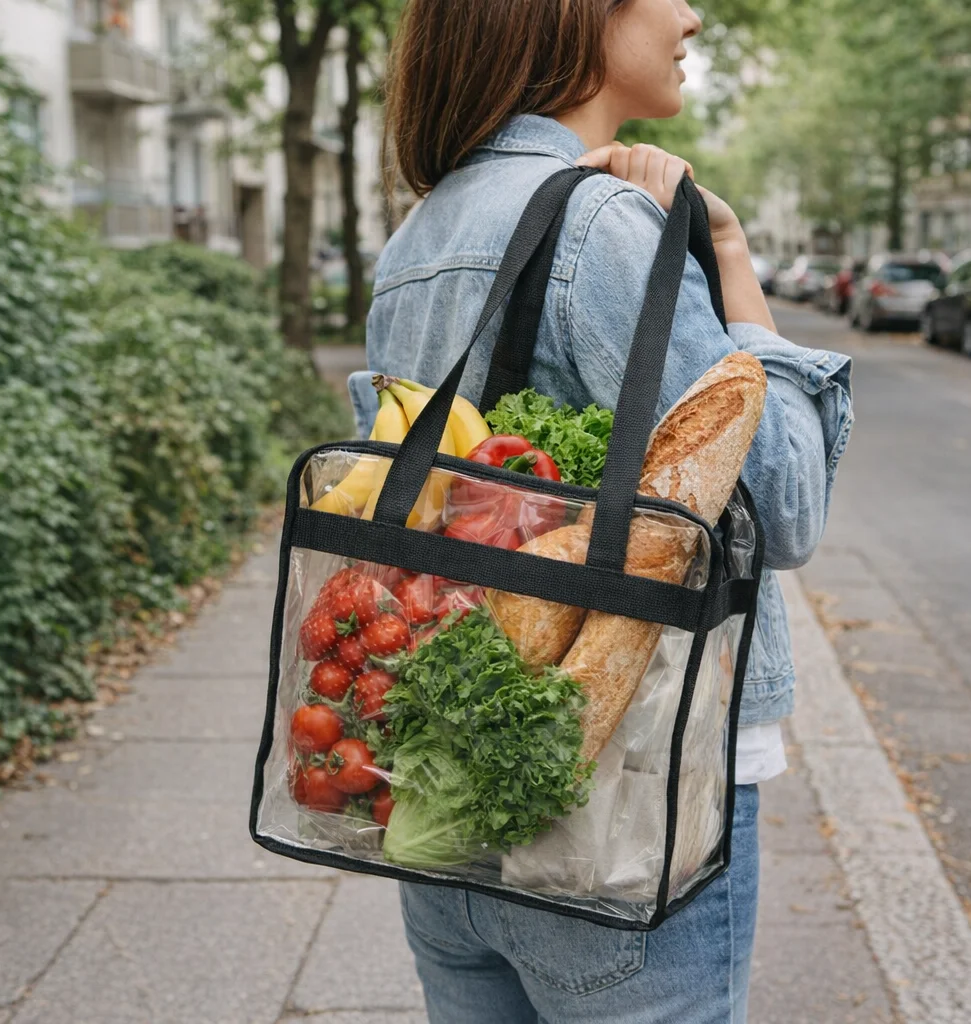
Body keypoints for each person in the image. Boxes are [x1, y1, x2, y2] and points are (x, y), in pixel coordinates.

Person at [347, 2, 854, 1021]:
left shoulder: (422, 230)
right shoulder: (605, 224)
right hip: (620, 812)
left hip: (445, 790)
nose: (692, 17)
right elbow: (783, 507)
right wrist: (735, 261)